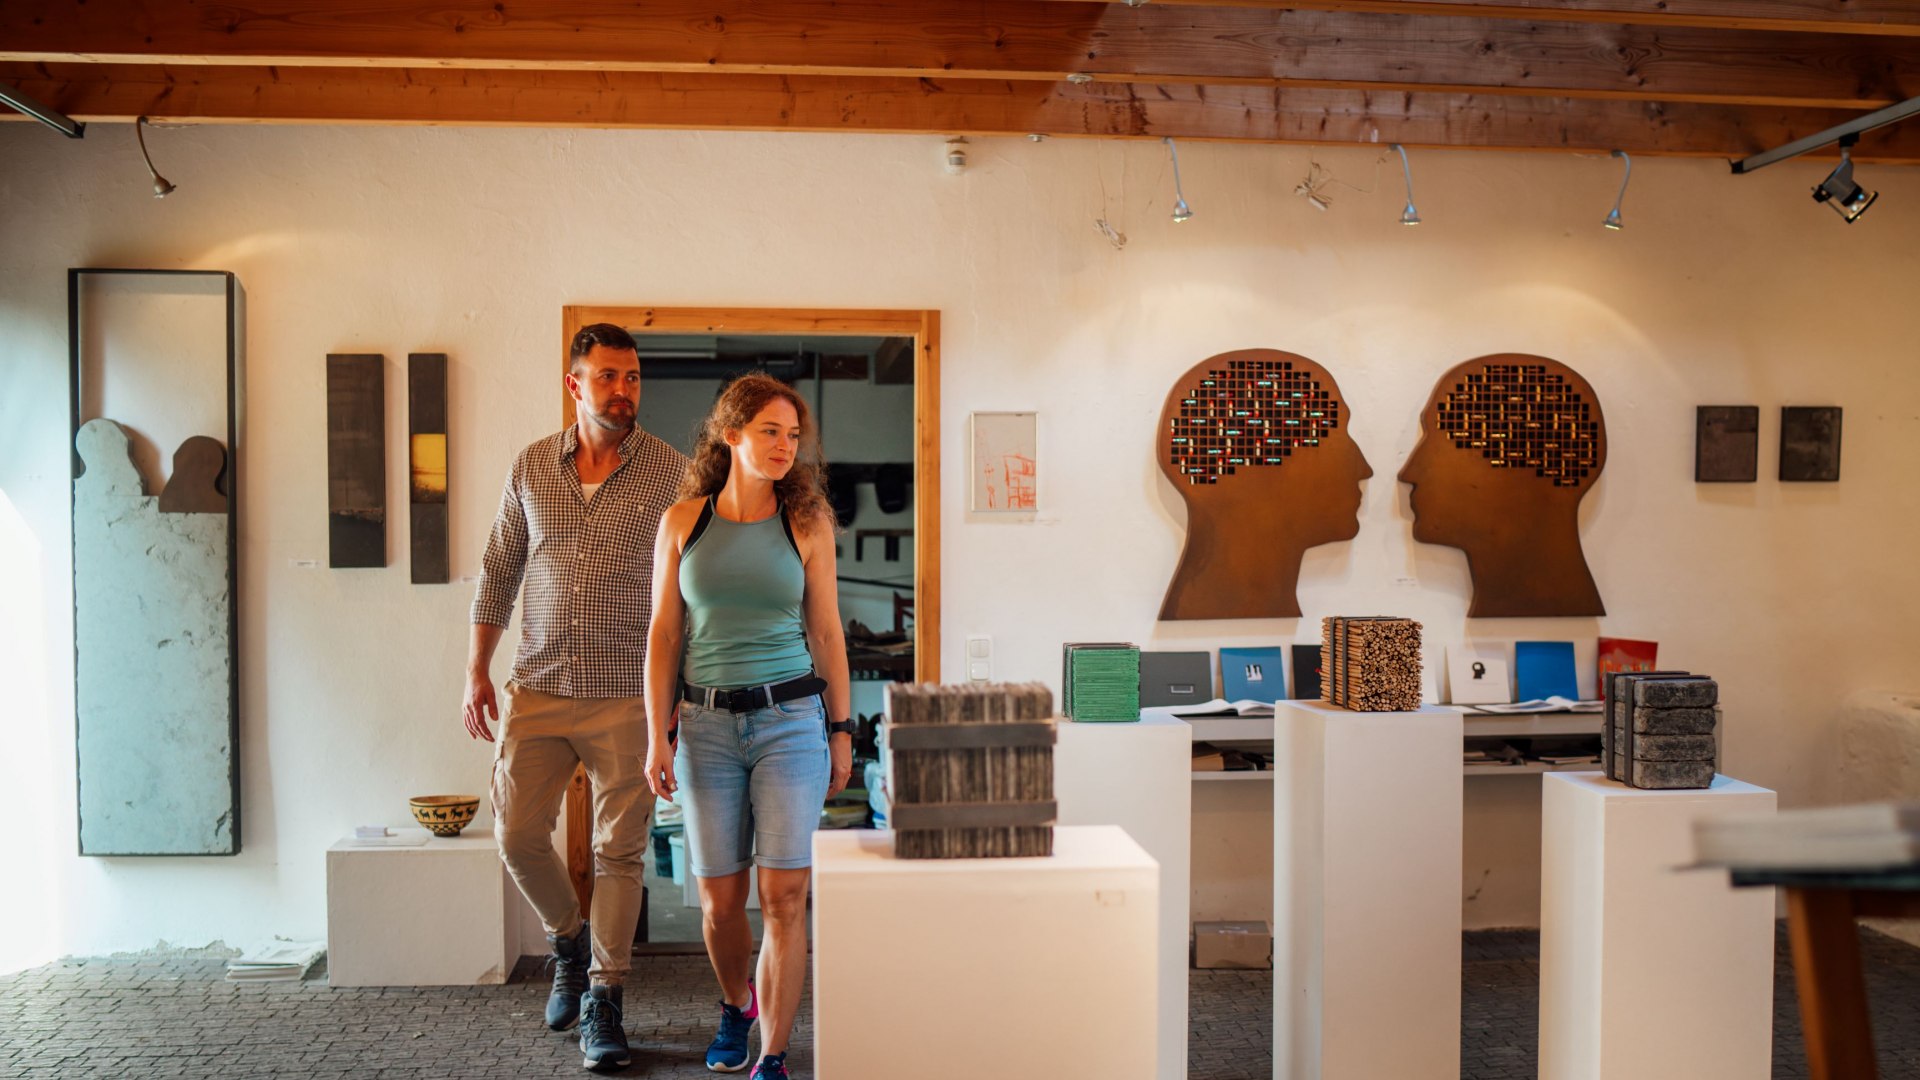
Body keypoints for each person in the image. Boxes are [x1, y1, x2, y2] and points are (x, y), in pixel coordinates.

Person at [464, 323, 688, 1073]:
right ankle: (567, 939)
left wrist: (676, 698)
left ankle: (605, 998)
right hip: (539, 685)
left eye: (631, 377)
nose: (622, 391)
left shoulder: (673, 473)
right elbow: (498, 568)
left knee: (618, 852)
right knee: (517, 835)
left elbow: (688, 591)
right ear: (575, 384)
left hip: (628, 694)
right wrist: (476, 670)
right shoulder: (532, 465)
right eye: (607, 377)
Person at [642, 372, 853, 1080]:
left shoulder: (809, 522)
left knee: (784, 895)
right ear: (730, 434)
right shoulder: (682, 522)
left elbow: (826, 632)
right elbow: (664, 638)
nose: (785, 446)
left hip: (792, 721)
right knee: (718, 900)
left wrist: (842, 729)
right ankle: (738, 1005)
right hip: (703, 727)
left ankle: (774, 1054)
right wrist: (656, 732)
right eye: (770, 431)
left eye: (793, 435)